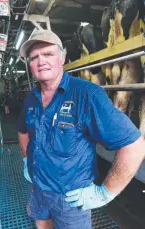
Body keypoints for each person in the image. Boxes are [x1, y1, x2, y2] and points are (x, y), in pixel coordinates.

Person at [16, 29, 145, 229]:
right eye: (34, 57)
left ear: (62, 58)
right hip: (38, 188)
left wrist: (105, 193)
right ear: (30, 65)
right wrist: (26, 161)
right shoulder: (31, 99)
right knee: (41, 224)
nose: (41, 61)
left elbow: (135, 145)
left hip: (70, 199)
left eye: (48, 54)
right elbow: (23, 130)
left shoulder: (87, 95)